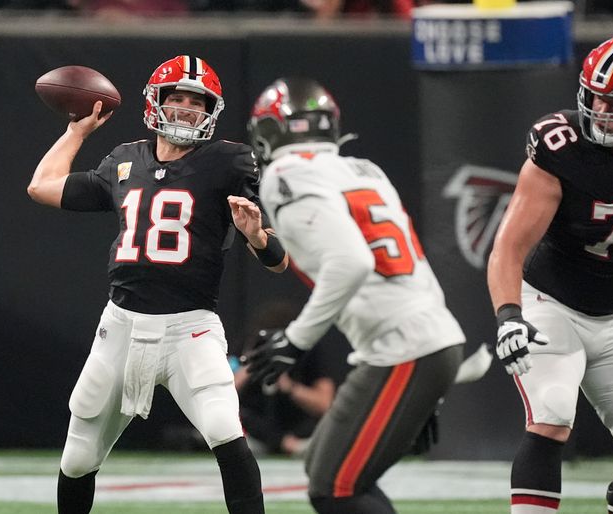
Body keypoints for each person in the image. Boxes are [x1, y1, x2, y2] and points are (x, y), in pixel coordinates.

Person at [27, 54, 287, 514]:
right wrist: (76, 132)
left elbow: (278, 262)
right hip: (121, 327)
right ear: (156, 101)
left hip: (191, 329)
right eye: (178, 97)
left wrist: (255, 236)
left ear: (211, 109)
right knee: (78, 456)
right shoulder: (124, 161)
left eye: (197, 100)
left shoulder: (227, 161)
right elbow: (42, 186)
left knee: (227, 433)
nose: (187, 107)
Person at [244, 77, 465, 514]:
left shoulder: (285, 173)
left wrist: (296, 340)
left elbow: (352, 262)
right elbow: (413, 267)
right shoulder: (364, 169)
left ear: (270, 132)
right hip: (422, 340)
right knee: (325, 470)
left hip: (404, 349)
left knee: (335, 488)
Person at [487, 34, 613, 514]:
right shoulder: (561, 146)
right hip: (550, 303)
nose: (602, 112)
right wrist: (508, 314)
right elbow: (508, 248)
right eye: (596, 98)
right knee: (553, 408)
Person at [236, 327, 351, 456]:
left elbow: (325, 404)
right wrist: (252, 366)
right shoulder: (249, 347)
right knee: (238, 414)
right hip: (256, 436)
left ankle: (292, 444)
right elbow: (222, 396)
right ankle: (285, 443)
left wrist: (290, 387)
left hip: (298, 432)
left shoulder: (310, 354)